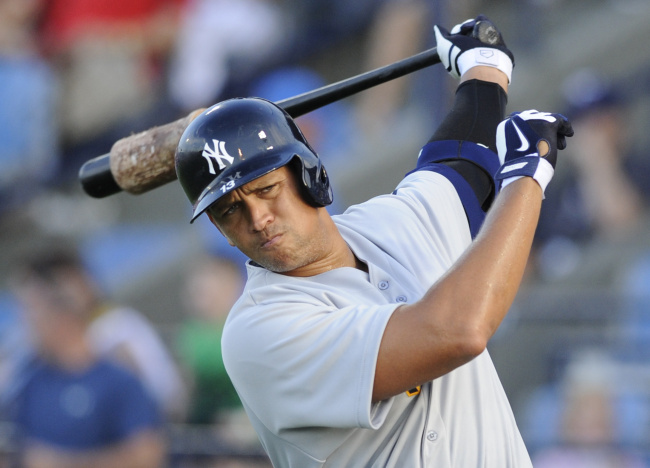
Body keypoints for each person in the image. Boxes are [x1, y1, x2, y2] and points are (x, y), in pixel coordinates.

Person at [173, 14, 573, 467]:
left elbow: (453, 164)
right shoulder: (258, 334)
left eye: (267, 190)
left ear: (308, 173)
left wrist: (485, 69)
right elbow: (457, 331)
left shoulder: (384, 224)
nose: (258, 218)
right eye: (230, 211)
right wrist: (526, 178)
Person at [6, 248, 166, 468]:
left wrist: (62, 464)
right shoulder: (29, 383)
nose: (26, 326)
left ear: (58, 316)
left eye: (31, 313)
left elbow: (148, 456)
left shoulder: (119, 380)